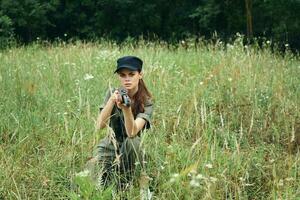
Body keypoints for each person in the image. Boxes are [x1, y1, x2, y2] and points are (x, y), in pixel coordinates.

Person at [95, 56, 153, 188]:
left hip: (132, 148)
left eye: (131, 74)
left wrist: (126, 109)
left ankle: (128, 184)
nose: (127, 79)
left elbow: (132, 132)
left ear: (140, 75)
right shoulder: (112, 93)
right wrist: (111, 100)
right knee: (95, 179)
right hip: (111, 143)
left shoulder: (146, 101)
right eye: (122, 75)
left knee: (132, 142)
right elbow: (99, 126)